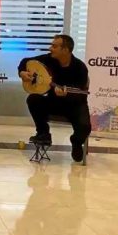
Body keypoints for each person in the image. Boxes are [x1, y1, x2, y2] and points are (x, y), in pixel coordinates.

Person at [18, 34, 91, 162]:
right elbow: (25, 61)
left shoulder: (80, 68)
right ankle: (43, 133)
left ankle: (76, 142)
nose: (50, 48)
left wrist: (66, 94)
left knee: (85, 127)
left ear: (66, 50)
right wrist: (22, 73)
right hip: (54, 102)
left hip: (74, 105)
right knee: (33, 99)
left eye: (54, 46)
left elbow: (81, 95)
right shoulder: (49, 59)